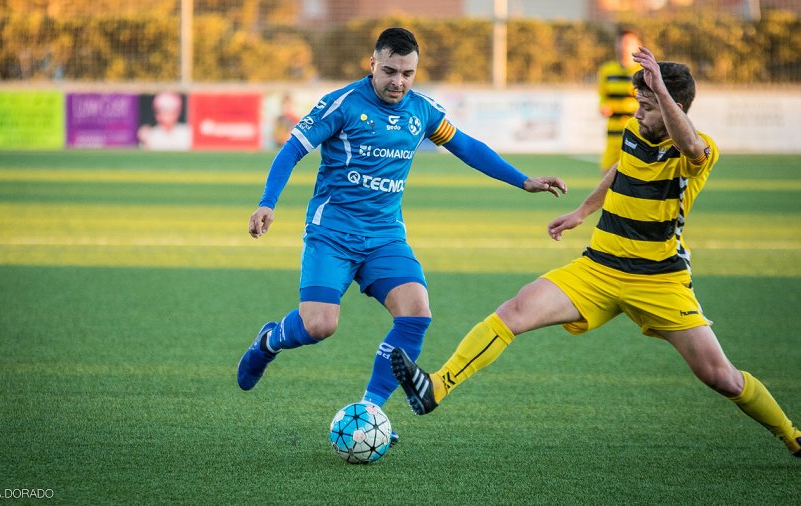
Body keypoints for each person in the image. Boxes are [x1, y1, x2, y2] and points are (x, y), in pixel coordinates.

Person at [391, 47, 801, 458]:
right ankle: (436, 388)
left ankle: (791, 434)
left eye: (648, 106)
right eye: (639, 104)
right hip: (598, 268)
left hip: (659, 280)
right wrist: (583, 211)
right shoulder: (635, 131)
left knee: (721, 377)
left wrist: (660, 89)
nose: (638, 113)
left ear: (674, 107)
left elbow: (689, 144)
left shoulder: (700, 150)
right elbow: (621, 167)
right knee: (514, 311)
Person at [237, 27, 567, 445]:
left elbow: (466, 146)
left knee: (416, 313)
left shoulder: (422, 110)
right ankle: (269, 340)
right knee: (319, 326)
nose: (398, 82)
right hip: (333, 234)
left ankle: (370, 411)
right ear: (372, 64)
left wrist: (524, 181)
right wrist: (268, 202)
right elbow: (292, 150)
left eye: (407, 73)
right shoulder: (341, 105)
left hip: (385, 237)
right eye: (390, 71)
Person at [597, 28, 642, 174]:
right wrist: (603, 107)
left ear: (638, 45)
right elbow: (602, 97)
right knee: (606, 176)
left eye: (628, 43)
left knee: (635, 177)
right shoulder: (607, 70)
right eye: (621, 43)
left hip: (637, 133)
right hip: (613, 134)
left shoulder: (643, 71)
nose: (624, 47)